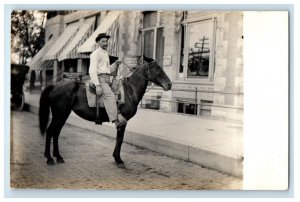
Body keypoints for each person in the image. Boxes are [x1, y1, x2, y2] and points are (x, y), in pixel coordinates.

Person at [89, 33, 124, 128]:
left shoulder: (105, 53)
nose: (106, 43)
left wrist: (115, 64)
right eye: (103, 41)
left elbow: (107, 69)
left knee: (120, 91)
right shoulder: (95, 54)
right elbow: (92, 71)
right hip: (101, 80)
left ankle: (119, 112)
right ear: (98, 43)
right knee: (111, 96)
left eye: (106, 41)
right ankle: (115, 120)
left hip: (108, 79)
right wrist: (97, 85)